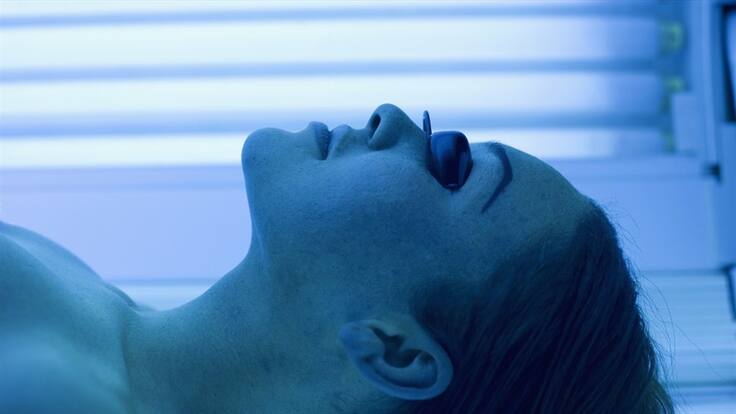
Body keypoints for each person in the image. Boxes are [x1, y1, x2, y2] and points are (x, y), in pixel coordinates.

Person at [0, 103, 673, 413]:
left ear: (395, 351)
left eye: (450, 165)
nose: (391, 118)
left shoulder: (48, 394)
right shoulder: (88, 313)